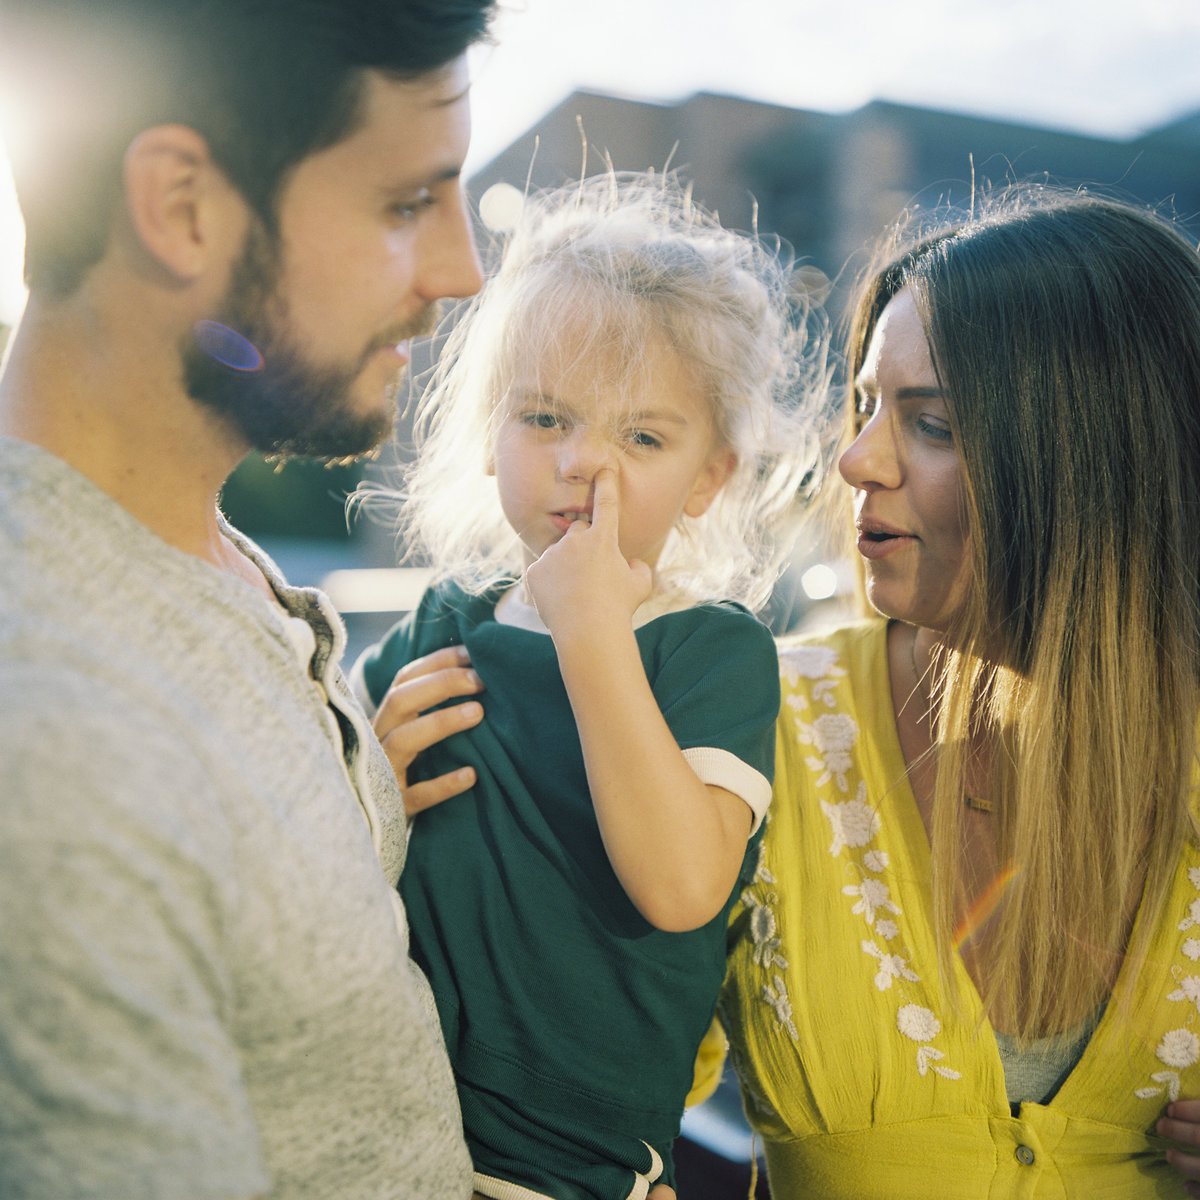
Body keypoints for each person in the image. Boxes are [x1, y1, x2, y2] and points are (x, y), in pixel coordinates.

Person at [0, 1, 498, 1196]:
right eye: (403, 203)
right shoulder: (60, 742)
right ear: (182, 208)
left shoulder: (194, 551)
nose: (462, 269)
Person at [710, 186, 1200, 1197]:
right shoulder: (754, 724)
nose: (854, 460)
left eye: (928, 423)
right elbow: (571, 1100)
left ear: (1099, 462)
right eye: (865, 407)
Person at [353, 172, 830, 1200]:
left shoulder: (709, 652)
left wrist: (590, 626)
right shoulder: (446, 622)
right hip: (384, 1110)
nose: (584, 465)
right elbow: (314, 850)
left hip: (567, 1162)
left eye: (643, 437)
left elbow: (680, 884)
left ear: (709, 478)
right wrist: (364, 776)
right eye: (544, 417)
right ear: (492, 435)